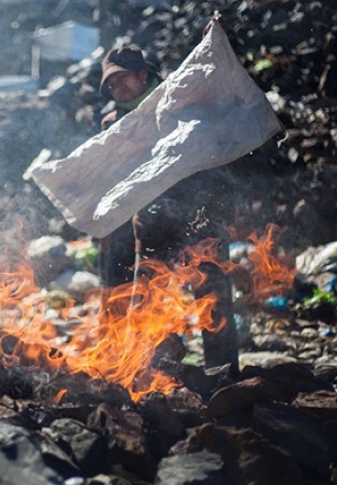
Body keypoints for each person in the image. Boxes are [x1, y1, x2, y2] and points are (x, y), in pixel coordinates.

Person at [97, 40, 239, 371]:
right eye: (111, 84)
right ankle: (156, 376)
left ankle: (224, 375)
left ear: (143, 75)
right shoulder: (111, 124)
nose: (117, 87)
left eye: (122, 79)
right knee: (149, 301)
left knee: (213, 298)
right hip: (151, 223)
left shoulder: (180, 100)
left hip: (200, 216)